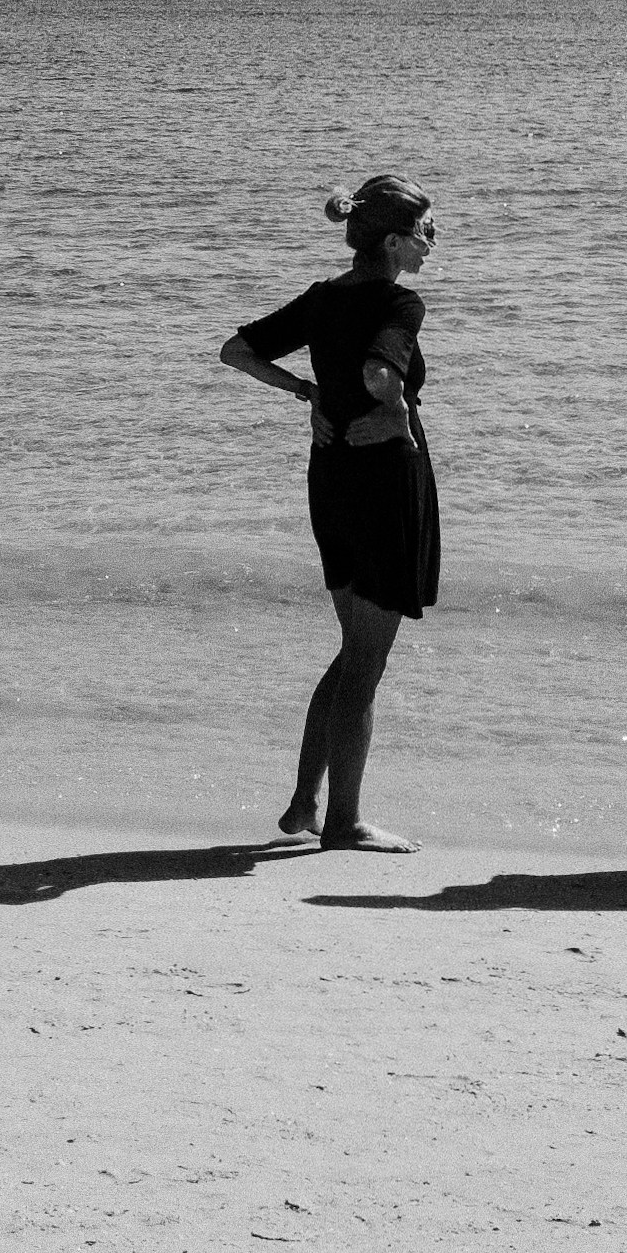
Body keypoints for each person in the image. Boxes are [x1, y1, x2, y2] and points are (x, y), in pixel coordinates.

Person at [217, 176, 440, 852]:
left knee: (352, 652)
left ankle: (305, 805)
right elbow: (380, 374)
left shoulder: (322, 299)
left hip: (332, 476)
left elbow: (238, 351)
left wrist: (306, 391)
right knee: (366, 662)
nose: (435, 241)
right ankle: (343, 823)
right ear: (396, 240)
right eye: (429, 229)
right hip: (382, 481)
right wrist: (396, 413)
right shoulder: (400, 301)